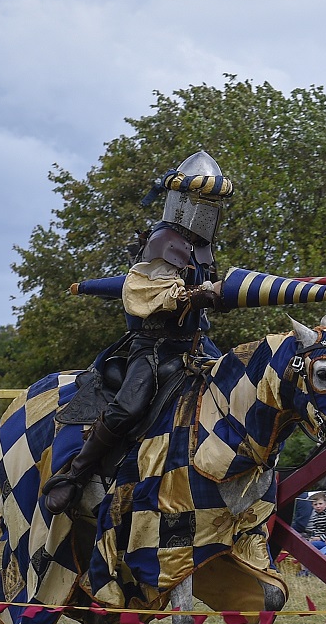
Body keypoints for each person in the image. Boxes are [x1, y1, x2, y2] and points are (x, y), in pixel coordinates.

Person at [43, 150, 234, 516]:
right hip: (154, 347)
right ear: (182, 202)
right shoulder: (164, 242)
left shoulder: (201, 247)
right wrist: (197, 294)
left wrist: (220, 290)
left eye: (214, 204)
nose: (208, 211)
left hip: (196, 345)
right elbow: (142, 294)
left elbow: (202, 285)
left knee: (236, 389)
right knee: (129, 407)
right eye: (202, 202)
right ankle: (75, 475)